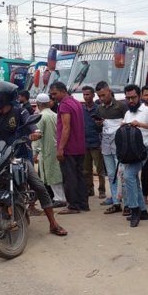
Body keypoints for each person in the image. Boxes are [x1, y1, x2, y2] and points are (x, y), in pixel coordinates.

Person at [0, 82, 67, 241]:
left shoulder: (19, 111)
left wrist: (35, 132)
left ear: (3, 98)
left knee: (38, 185)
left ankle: (53, 223)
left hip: (18, 155)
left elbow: (30, 123)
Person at [120, 84, 148, 227]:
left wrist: (141, 124)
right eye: (128, 98)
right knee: (134, 180)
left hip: (143, 151)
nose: (131, 100)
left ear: (139, 97)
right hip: (129, 153)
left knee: (128, 176)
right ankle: (143, 212)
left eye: (133, 97)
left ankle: (134, 209)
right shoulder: (128, 113)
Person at [49, 81, 88, 214]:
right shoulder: (76, 102)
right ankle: (83, 203)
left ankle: (73, 206)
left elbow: (66, 127)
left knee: (69, 177)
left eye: (54, 93)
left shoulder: (64, 105)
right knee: (79, 176)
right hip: (80, 146)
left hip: (69, 148)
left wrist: (60, 148)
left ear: (63, 91)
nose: (53, 97)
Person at [95, 81, 128, 214]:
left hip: (119, 143)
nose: (101, 98)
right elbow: (98, 128)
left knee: (122, 174)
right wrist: (98, 123)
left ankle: (127, 204)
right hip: (106, 144)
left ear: (109, 91)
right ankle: (116, 202)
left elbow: (127, 124)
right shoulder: (99, 108)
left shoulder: (121, 106)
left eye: (103, 95)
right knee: (111, 175)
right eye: (99, 96)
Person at [32, 93, 66, 210]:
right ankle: (59, 197)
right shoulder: (55, 114)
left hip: (46, 150)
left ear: (37, 104)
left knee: (51, 175)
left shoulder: (41, 117)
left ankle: (59, 199)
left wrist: (34, 153)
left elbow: (37, 136)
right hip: (56, 148)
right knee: (56, 173)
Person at [81, 85, 106, 199]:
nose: (86, 97)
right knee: (86, 170)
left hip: (96, 143)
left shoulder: (99, 109)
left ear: (93, 95)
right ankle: (89, 189)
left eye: (88, 94)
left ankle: (102, 190)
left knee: (100, 169)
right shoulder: (82, 109)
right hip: (85, 143)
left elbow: (103, 126)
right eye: (84, 94)